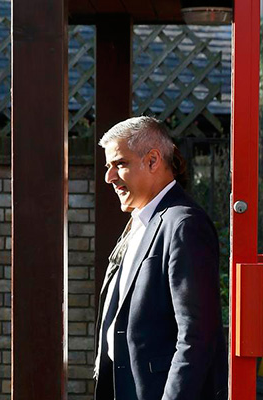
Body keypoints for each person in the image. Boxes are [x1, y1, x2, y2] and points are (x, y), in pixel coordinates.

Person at [93, 116, 228, 400]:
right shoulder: (142, 219)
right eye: (108, 167)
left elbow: (196, 336)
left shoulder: (184, 223)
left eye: (120, 164)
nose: (109, 177)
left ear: (153, 160)